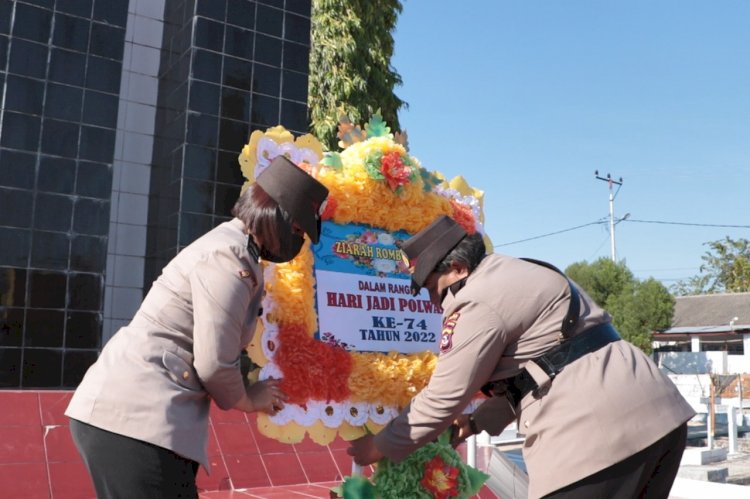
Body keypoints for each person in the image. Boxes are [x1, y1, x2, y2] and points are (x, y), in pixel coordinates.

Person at [348, 215, 695, 498]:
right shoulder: (518, 272)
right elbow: (549, 366)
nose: (430, 301)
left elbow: (442, 397)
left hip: (599, 438)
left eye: (429, 287)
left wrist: (377, 447)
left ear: (456, 268)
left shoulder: (476, 301)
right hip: (660, 419)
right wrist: (475, 423)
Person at [66, 156, 329, 498]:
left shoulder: (235, 250)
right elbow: (214, 363)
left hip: (134, 419)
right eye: (296, 230)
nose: (298, 242)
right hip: (134, 418)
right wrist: (250, 399)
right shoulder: (229, 260)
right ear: (274, 216)